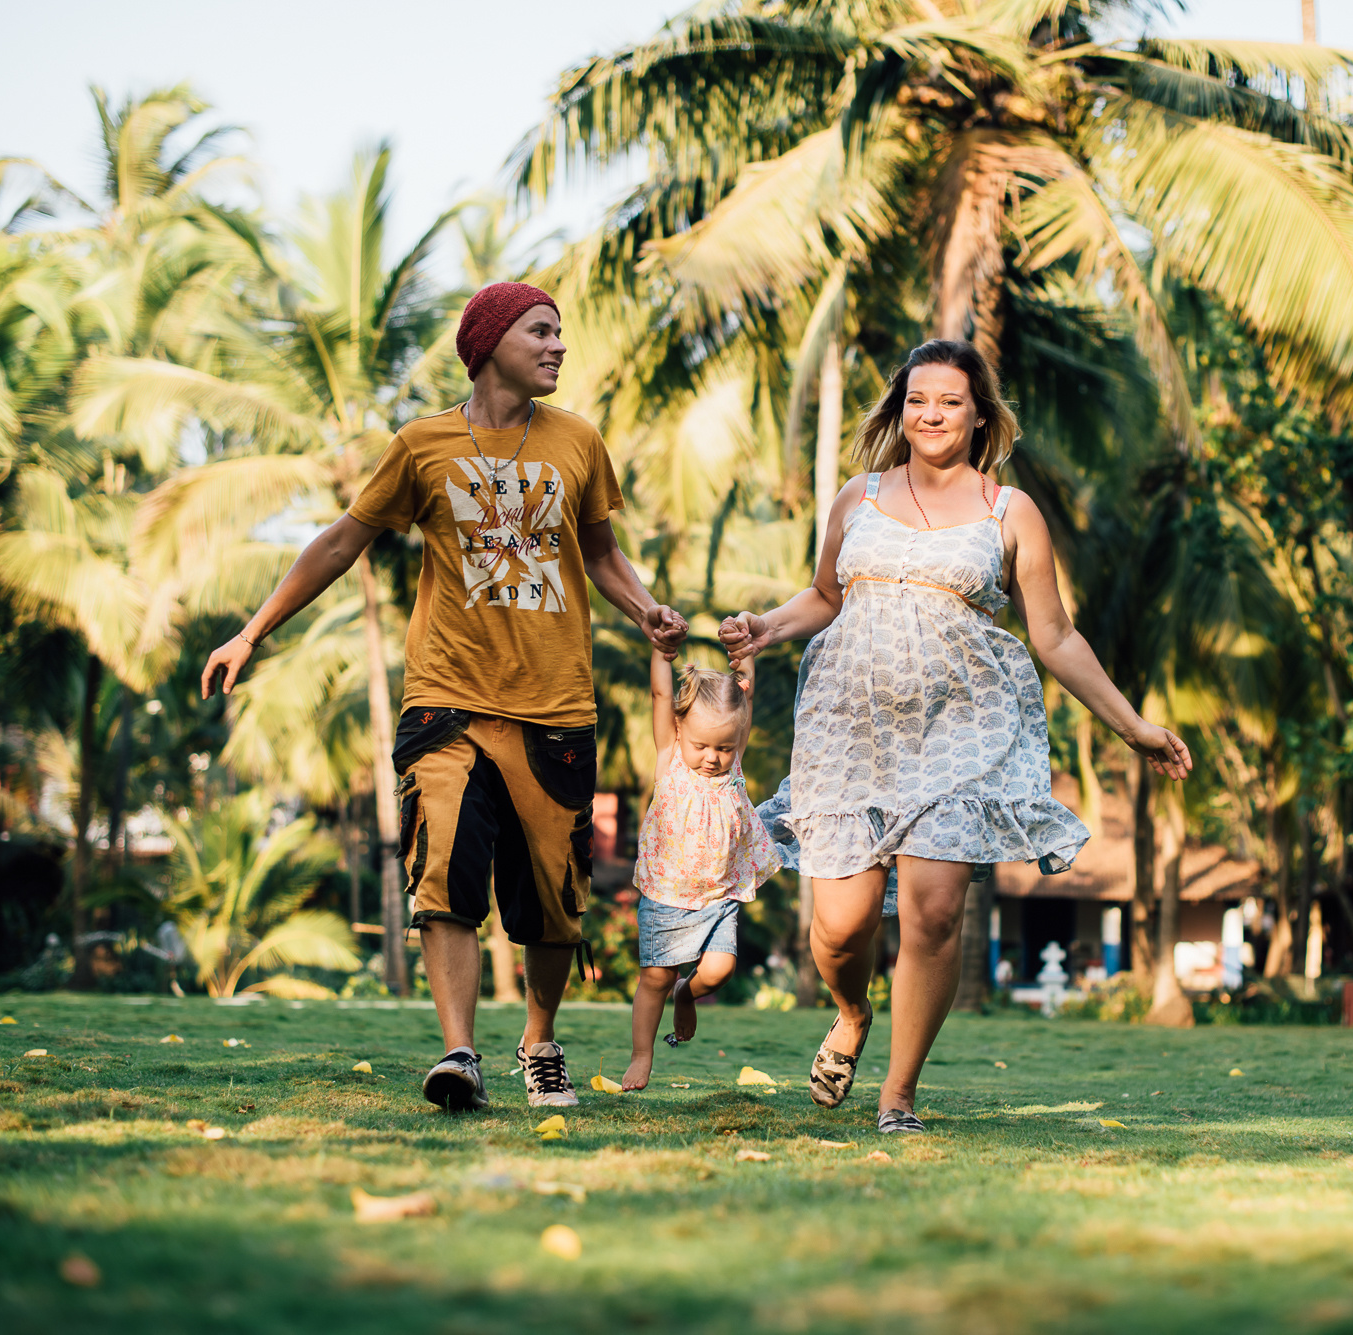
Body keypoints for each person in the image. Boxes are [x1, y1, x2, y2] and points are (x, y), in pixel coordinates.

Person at [200, 281, 687, 1112]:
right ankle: (460, 1053)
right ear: (491, 340)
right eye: (541, 331)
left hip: (554, 705)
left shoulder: (577, 442)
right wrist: (252, 631)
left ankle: (539, 1042)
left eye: (559, 333)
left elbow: (601, 551)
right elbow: (340, 541)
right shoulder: (422, 446)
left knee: (553, 907)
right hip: (446, 702)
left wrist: (647, 611)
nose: (558, 345)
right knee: (444, 878)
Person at [721, 339, 1192, 1135]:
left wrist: (1134, 724)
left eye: (949, 400)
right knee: (839, 927)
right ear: (900, 410)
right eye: (917, 400)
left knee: (937, 913)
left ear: (980, 415)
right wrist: (764, 627)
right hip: (849, 725)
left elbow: (1057, 637)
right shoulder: (857, 497)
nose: (931, 413)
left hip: (961, 730)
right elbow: (825, 595)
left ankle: (897, 1096)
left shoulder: (1012, 512)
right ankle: (850, 1011)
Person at [621, 655, 781, 1090]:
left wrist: (747, 661)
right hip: (667, 895)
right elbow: (660, 695)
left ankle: (686, 994)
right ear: (678, 731)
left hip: (719, 895)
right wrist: (659, 654)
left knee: (720, 971)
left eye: (725, 748)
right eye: (703, 746)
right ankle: (642, 1054)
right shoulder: (671, 762)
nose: (713, 757)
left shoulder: (734, 769)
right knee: (656, 977)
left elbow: (745, 704)